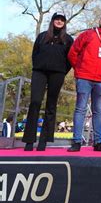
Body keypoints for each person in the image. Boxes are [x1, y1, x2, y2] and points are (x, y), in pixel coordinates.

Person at [22, 12, 73, 151]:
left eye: (62, 20)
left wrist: (62, 70)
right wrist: (37, 65)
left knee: (51, 105)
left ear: (64, 23)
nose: (59, 21)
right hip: (39, 72)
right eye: (57, 19)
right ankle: (29, 140)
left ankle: (44, 140)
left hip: (57, 74)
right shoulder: (42, 36)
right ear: (52, 21)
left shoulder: (68, 39)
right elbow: (35, 53)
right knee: (35, 102)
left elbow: (71, 59)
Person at [67, 13, 101, 152]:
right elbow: (73, 52)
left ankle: (98, 142)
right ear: (99, 20)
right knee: (80, 109)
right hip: (84, 77)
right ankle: (76, 141)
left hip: (100, 80)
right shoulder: (87, 34)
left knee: (98, 111)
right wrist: (79, 69)